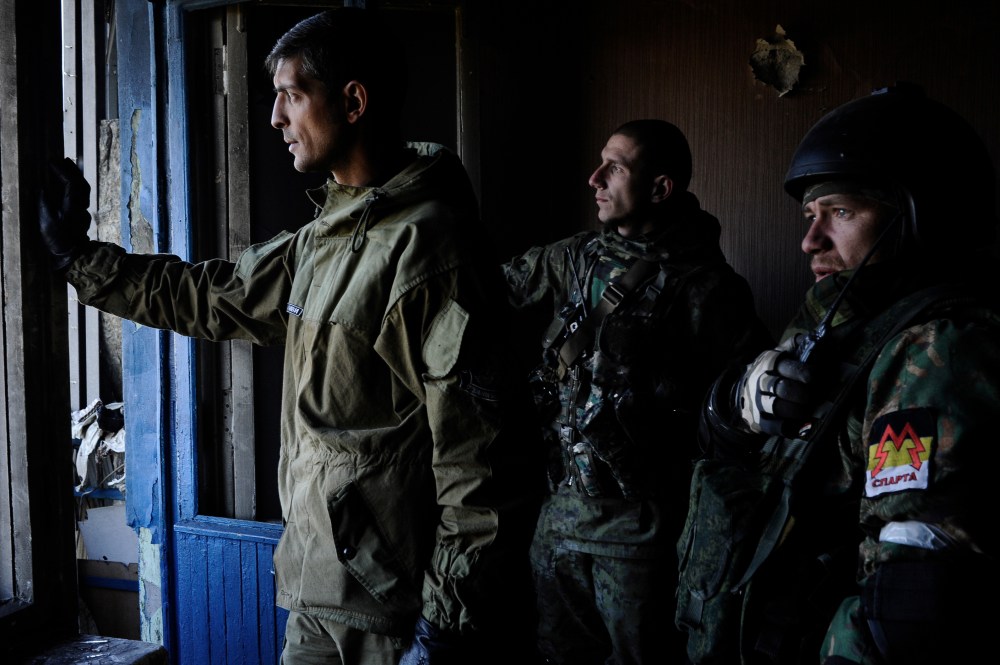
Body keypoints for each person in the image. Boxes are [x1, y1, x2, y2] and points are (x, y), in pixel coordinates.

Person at [38, 8, 543, 665]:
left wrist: (446, 628)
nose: (276, 117)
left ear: (353, 102)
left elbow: (482, 466)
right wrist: (78, 258)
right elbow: (212, 295)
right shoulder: (324, 237)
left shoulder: (431, 251)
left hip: (396, 616)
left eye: (293, 95)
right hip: (316, 594)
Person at [683, 83, 999, 664]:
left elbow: (908, 603)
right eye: (811, 215)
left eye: (842, 212)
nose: (810, 240)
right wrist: (736, 402)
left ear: (920, 218)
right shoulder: (836, 320)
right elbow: (725, 456)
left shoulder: (939, 347)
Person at [502, 119, 771, 665]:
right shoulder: (576, 258)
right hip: (559, 520)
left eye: (616, 167)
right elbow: (485, 291)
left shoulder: (709, 289)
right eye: (600, 162)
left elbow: (744, 423)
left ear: (660, 188)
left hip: (642, 536)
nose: (595, 178)